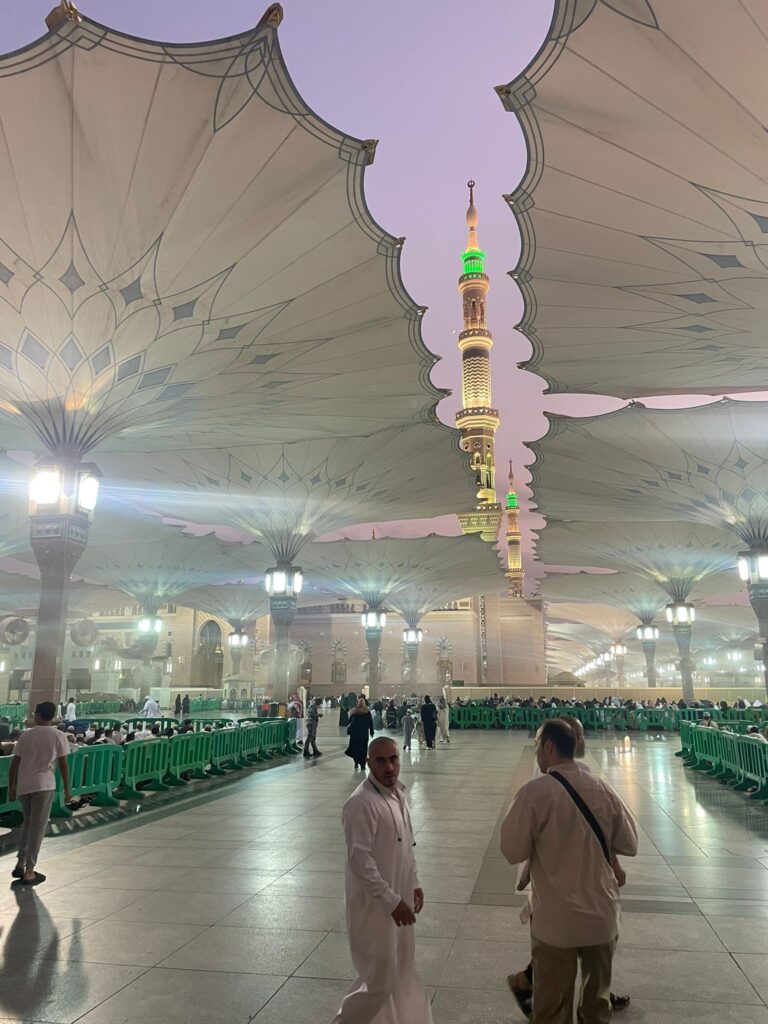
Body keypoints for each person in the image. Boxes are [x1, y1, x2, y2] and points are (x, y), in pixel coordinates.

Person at [501, 719, 638, 1024]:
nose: (537, 753)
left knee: (551, 1009)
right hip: (601, 918)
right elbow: (630, 843)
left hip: (555, 922)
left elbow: (512, 851)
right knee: (596, 1007)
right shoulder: (602, 787)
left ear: (548, 746)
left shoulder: (535, 792)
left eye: (537, 745)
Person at [331, 736, 431, 1024]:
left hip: (399, 899)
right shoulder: (360, 804)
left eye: (394, 759)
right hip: (374, 906)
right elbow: (360, 862)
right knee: (379, 979)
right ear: (368, 763)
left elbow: (406, 845)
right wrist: (390, 900)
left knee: (399, 968)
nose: (389, 767)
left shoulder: (398, 796)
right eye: (381, 760)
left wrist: (414, 882)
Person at [8, 701, 72, 886]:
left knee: (28, 824)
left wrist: (12, 785)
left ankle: (20, 862)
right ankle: (29, 871)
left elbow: (15, 762)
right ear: (52, 717)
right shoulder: (58, 735)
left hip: (24, 786)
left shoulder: (25, 736)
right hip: (44, 785)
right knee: (38, 827)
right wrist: (67, 789)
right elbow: (63, 764)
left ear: (36, 715)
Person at [345, 697, 374, 770]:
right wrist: (371, 731)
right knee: (363, 748)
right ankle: (363, 764)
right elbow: (370, 722)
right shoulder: (367, 711)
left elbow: (349, 721)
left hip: (355, 733)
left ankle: (356, 762)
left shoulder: (355, 711)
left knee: (355, 748)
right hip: (364, 733)